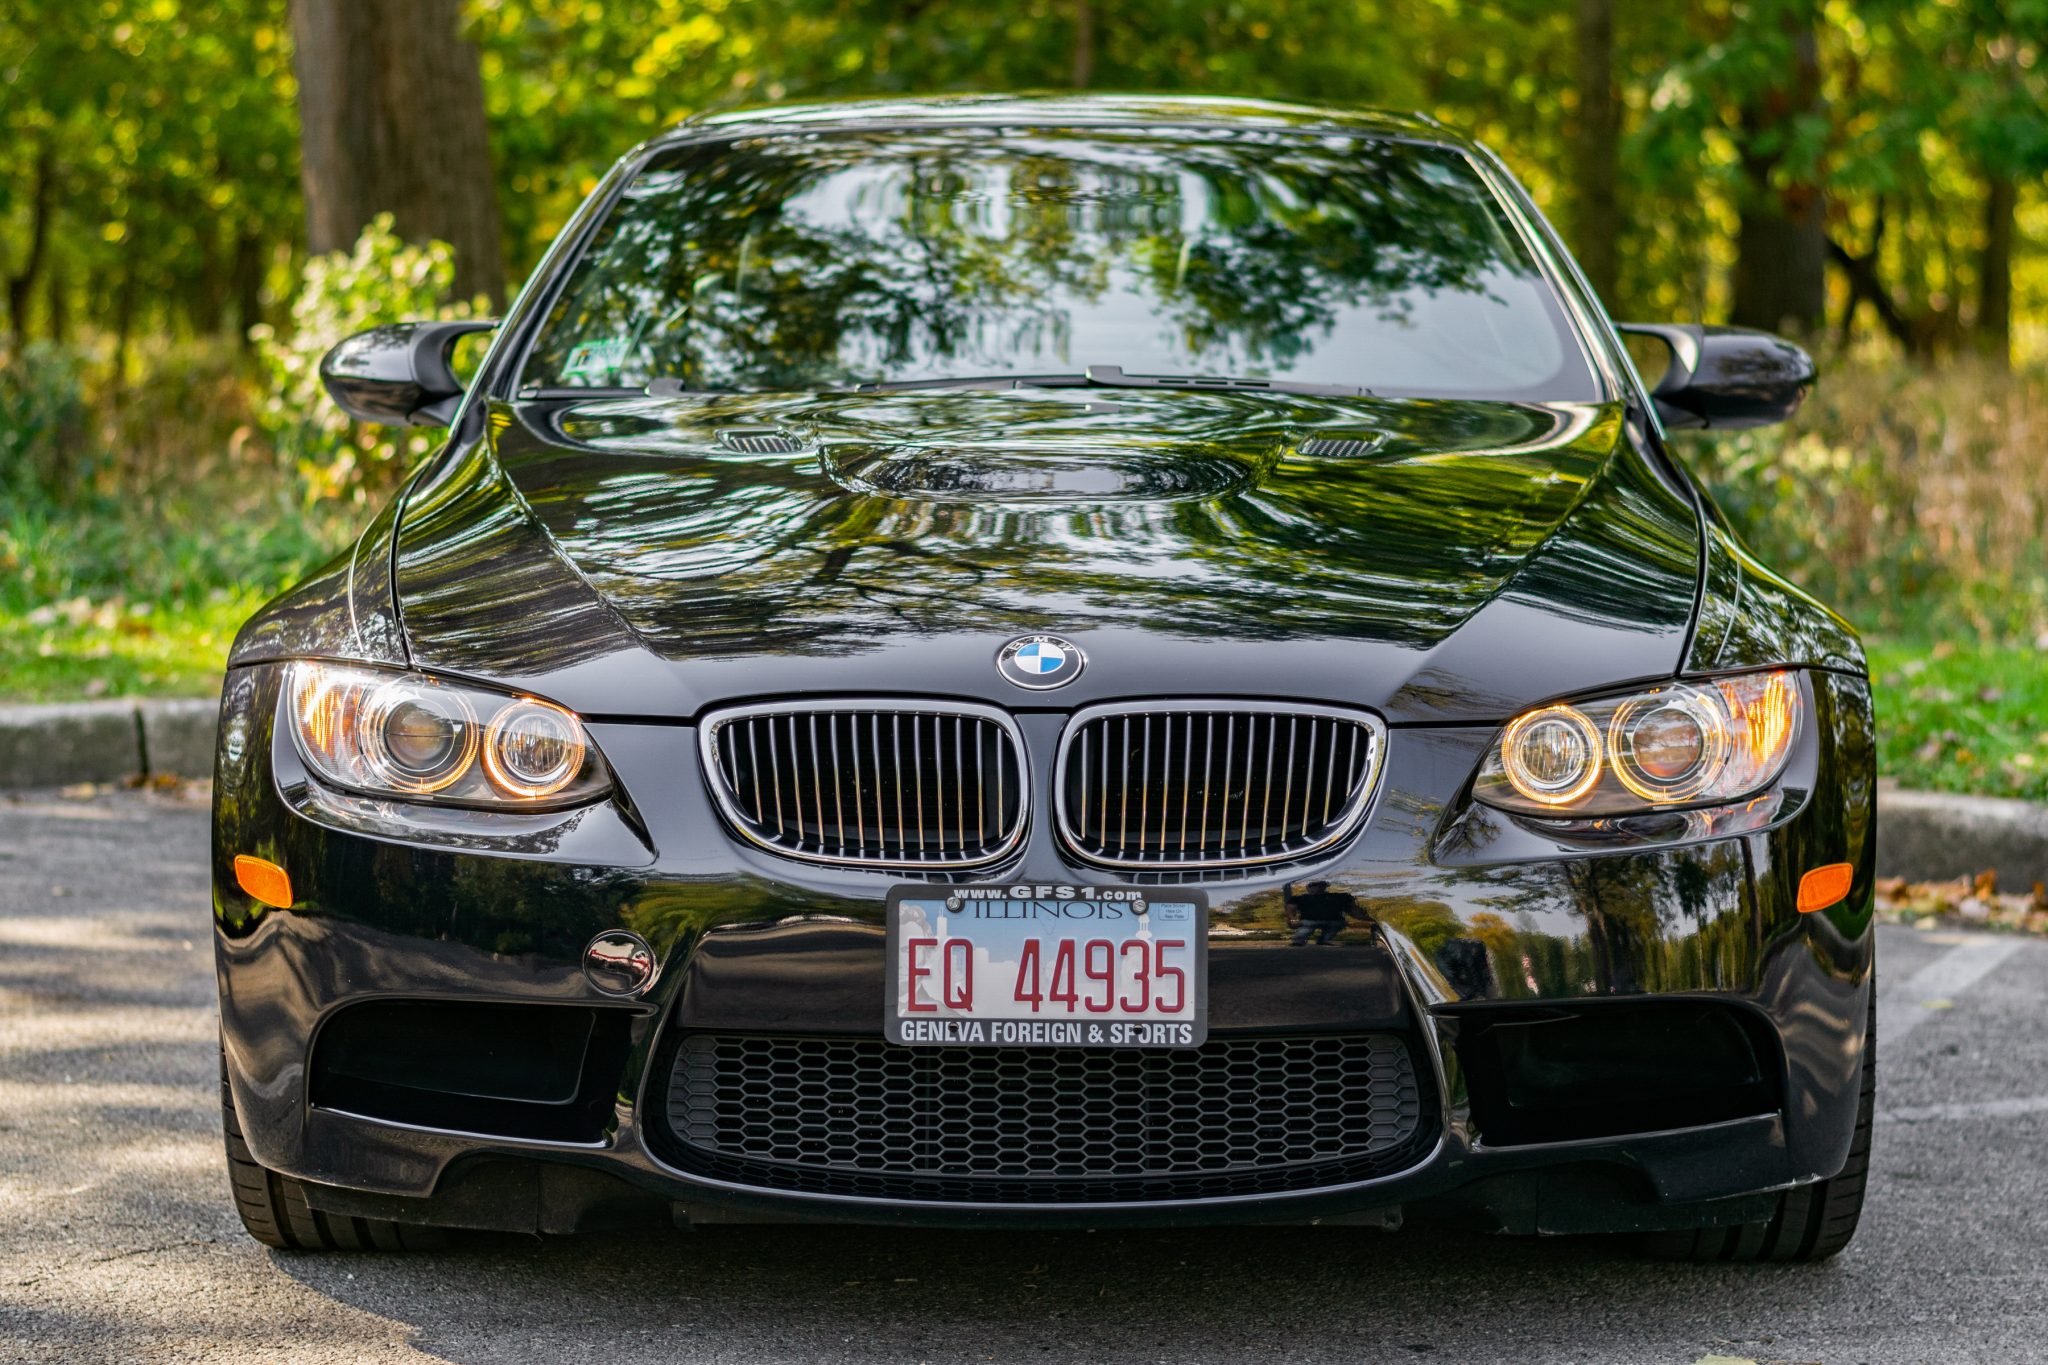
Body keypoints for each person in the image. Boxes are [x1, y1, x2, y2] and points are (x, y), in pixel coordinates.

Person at [1285, 880, 1367, 945]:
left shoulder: (1337, 897)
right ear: (1308, 887)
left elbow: (1351, 908)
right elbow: (1290, 909)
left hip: (1334, 921)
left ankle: (1324, 940)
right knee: (1306, 928)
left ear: (1324, 886)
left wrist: (1362, 917)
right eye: (1313, 885)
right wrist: (1293, 920)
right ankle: (1298, 941)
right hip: (1309, 921)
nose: (1316, 888)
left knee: (1339, 924)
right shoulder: (1300, 898)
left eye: (1319, 885)